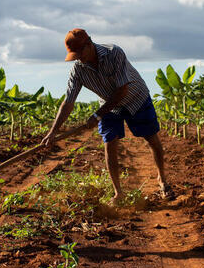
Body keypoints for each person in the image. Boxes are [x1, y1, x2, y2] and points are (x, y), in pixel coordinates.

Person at [41, 28, 172, 203]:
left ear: (89, 44)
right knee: (109, 142)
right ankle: (118, 193)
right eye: (75, 55)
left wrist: (96, 116)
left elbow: (122, 91)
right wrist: (53, 132)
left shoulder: (113, 53)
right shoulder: (78, 70)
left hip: (135, 98)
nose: (78, 58)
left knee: (151, 139)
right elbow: (68, 102)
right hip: (109, 106)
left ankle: (162, 180)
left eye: (80, 53)